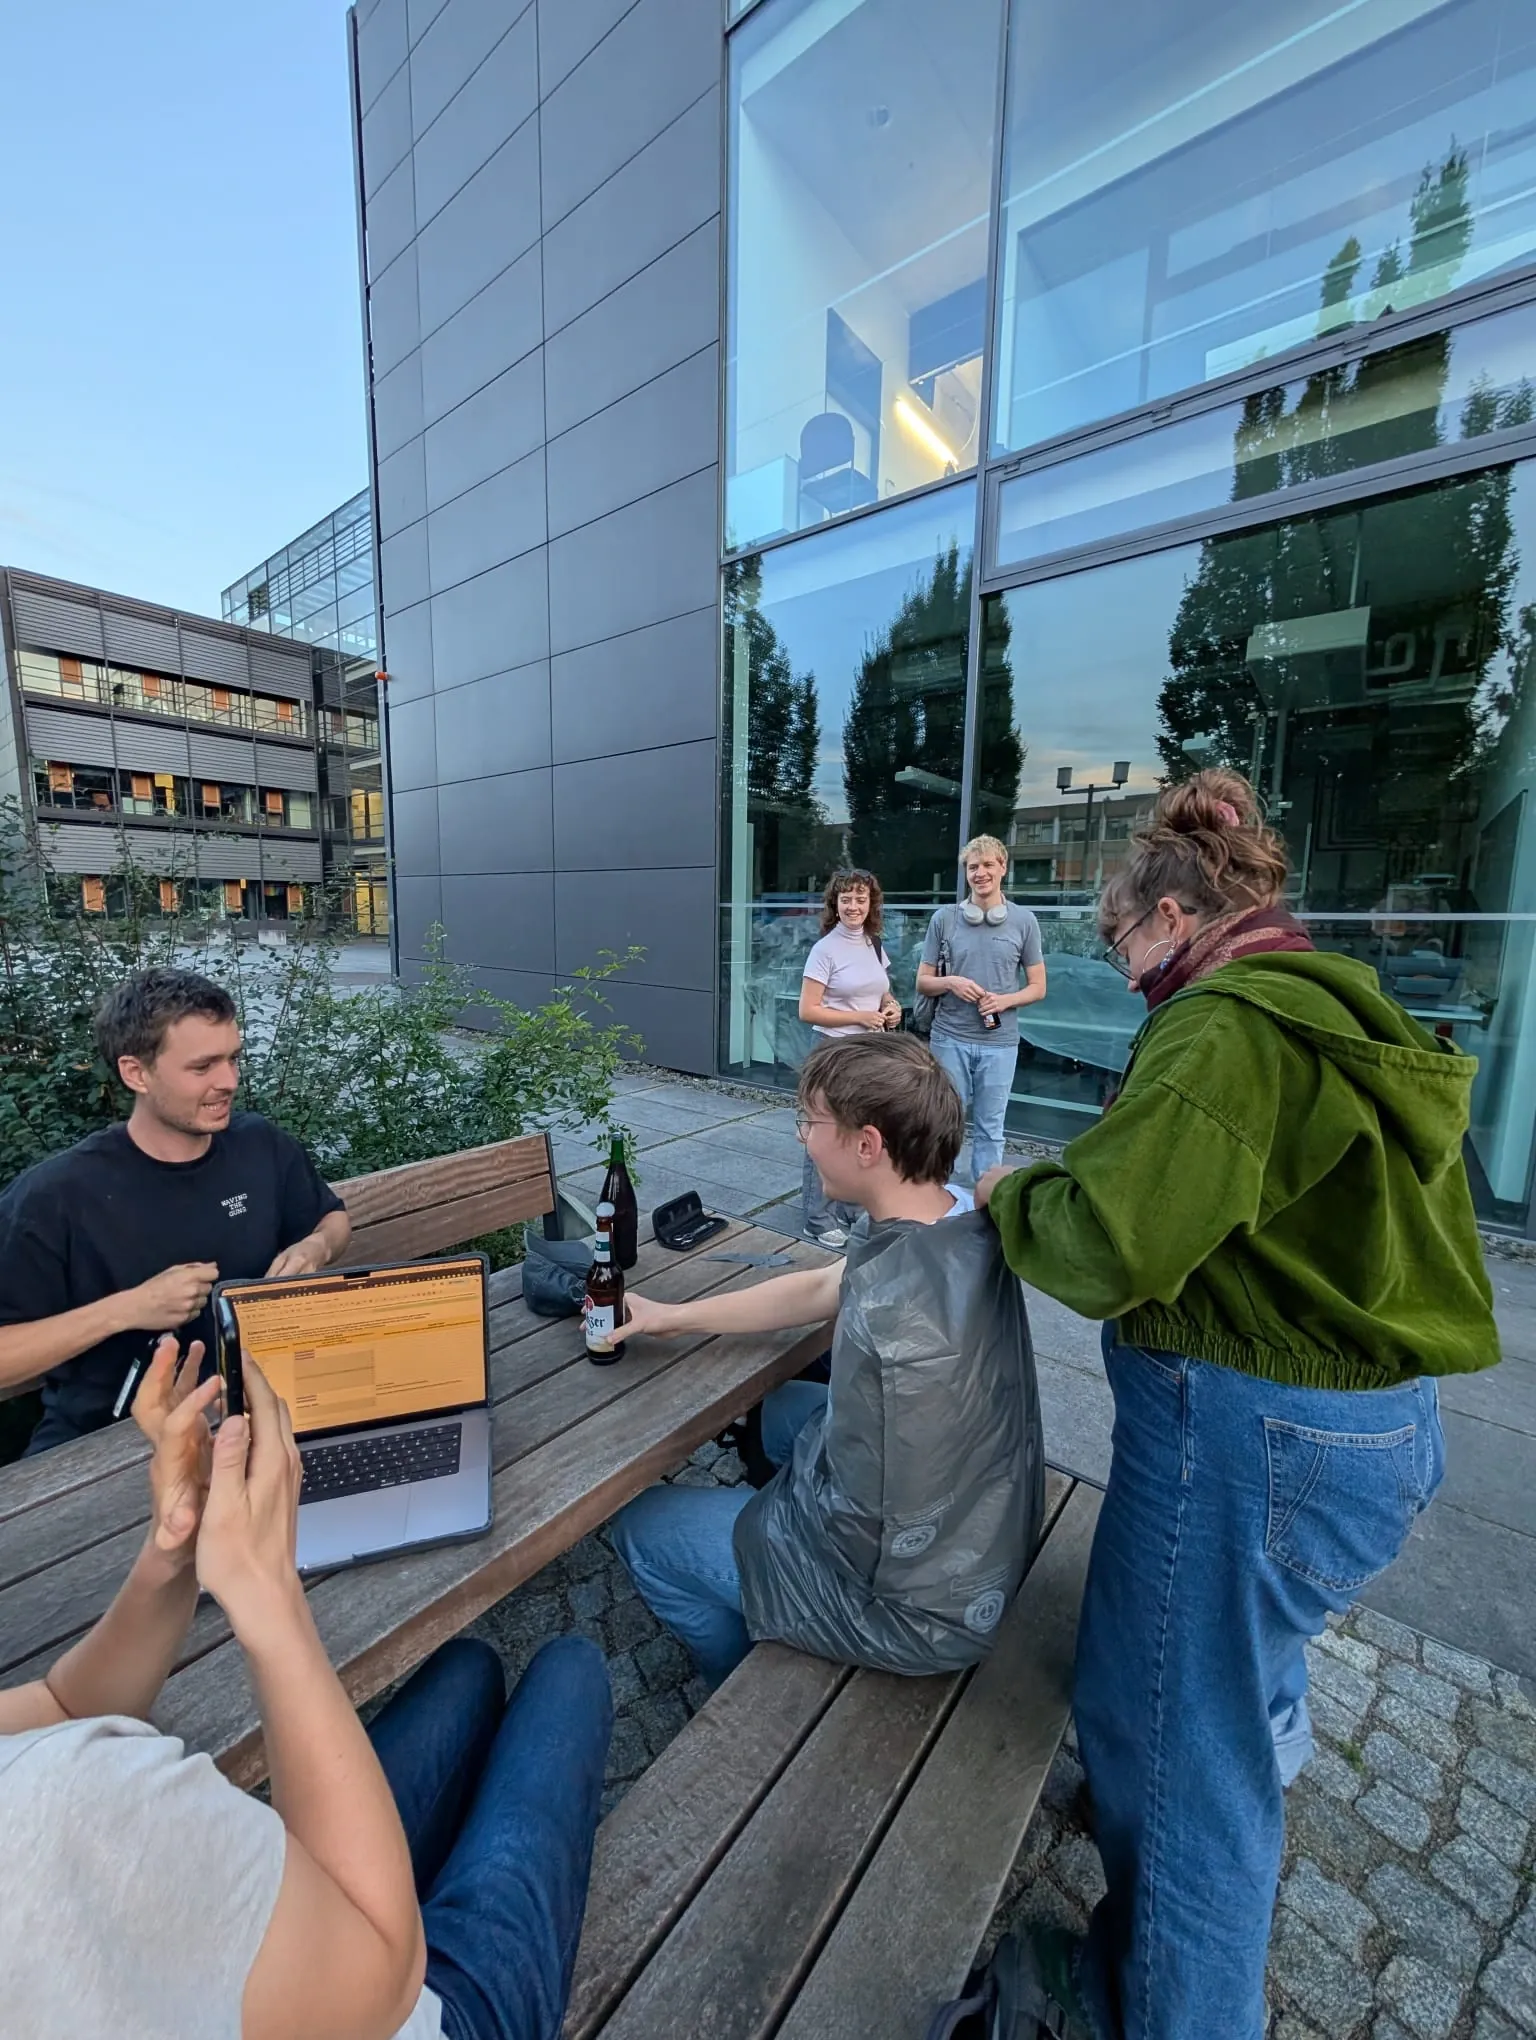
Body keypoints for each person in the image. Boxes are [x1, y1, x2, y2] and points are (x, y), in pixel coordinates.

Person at [970, 770, 1498, 2040]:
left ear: (1169, 914)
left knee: (1191, 1764)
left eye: (1117, 938)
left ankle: (1178, 2010)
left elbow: (1110, 1237)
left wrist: (1010, 1200)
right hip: (1360, 1425)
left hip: (1253, 1435)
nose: (1118, 962)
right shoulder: (1331, 996)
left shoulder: (1223, 1027)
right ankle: (1134, 1953)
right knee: (1189, 1697)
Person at [0, 1333, 613, 2040]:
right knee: (570, 1671)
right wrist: (270, 1601)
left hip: (267, 1939)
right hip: (406, 2001)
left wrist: (176, 1545)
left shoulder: (69, 1802)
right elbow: (387, 1981)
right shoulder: (63, 1820)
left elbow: (63, 1709)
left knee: (468, 1669)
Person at [607, 1033, 1043, 1689]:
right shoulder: (951, 1212)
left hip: (917, 1615)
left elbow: (858, 1529)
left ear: (867, 1145)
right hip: (989, 1516)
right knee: (780, 1409)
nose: (801, 1138)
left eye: (810, 1122)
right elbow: (824, 1285)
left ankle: (745, 1680)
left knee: (646, 1528)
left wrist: (778, 1534)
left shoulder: (887, 1322)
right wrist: (672, 1316)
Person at [0, 966, 352, 1454]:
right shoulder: (56, 1196)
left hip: (259, 1411)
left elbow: (332, 1220)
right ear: (136, 1073)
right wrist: (127, 1310)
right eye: (202, 1067)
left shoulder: (261, 1147)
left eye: (233, 1059)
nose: (229, 1081)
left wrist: (316, 1247)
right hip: (110, 1441)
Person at [916, 835, 1046, 1179]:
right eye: (973, 866)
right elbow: (923, 981)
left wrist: (1005, 1000)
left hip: (1000, 1044)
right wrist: (951, 982)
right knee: (944, 1123)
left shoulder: (1024, 921)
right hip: (949, 1039)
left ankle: (984, 1203)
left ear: (1003, 867)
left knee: (991, 1129)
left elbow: (1038, 987)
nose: (980, 872)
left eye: (988, 865)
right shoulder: (944, 919)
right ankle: (938, 1193)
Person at [796, 867, 902, 1247]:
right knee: (825, 1132)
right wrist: (859, 1015)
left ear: (871, 903)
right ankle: (816, 1216)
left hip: (867, 1053)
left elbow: (883, 992)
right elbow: (807, 1010)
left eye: (861, 898)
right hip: (832, 1052)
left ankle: (849, 1207)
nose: (853, 906)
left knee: (860, 1131)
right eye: (846, 899)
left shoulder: (872, 944)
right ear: (835, 904)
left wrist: (892, 1008)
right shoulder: (824, 950)